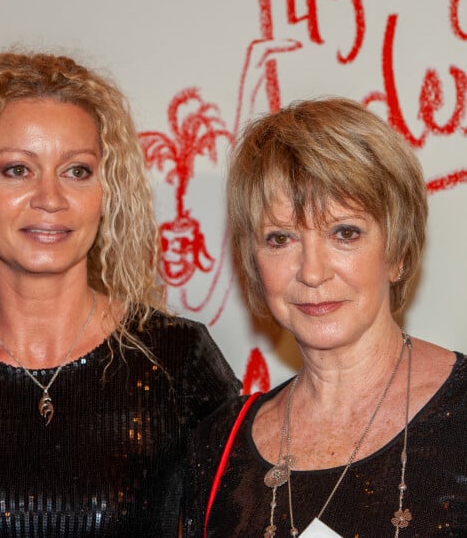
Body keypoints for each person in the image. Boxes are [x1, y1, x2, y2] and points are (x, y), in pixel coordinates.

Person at [0, 51, 240, 537]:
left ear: (105, 189)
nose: (50, 199)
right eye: (16, 169)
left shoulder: (178, 359)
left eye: (77, 171)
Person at [183, 97, 467, 537]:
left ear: (398, 253)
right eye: (280, 239)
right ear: (253, 262)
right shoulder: (217, 445)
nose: (312, 272)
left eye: (345, 233)